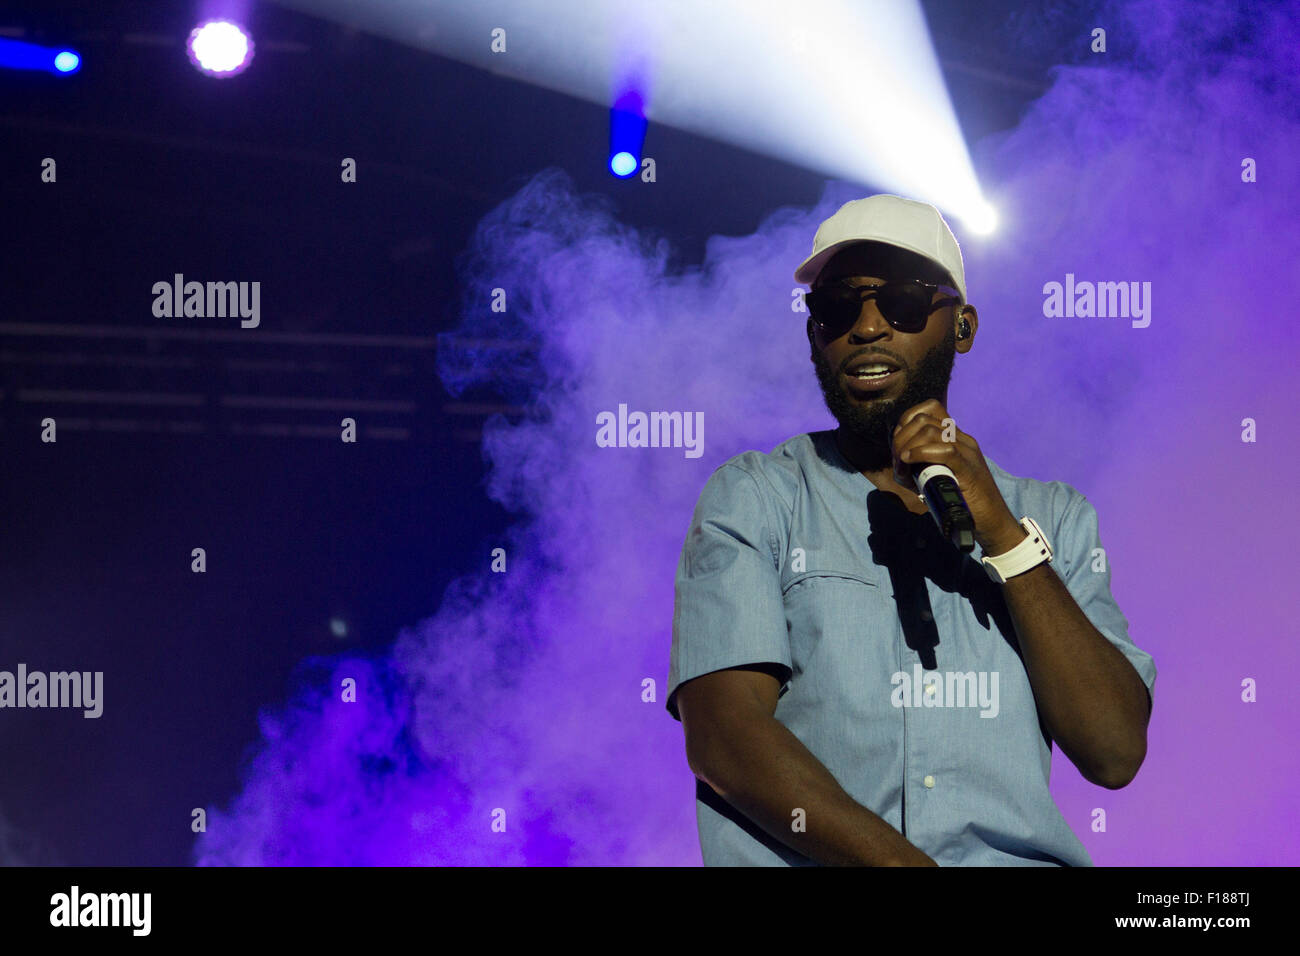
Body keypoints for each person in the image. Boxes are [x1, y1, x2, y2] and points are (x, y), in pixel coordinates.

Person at [665, 194, 1156, 866]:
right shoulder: (757, 497)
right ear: (814, 334)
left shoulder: (1055, 517)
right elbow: (724, 737)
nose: (867, 327)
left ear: (962, 327)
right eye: (838, 307)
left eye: (901, 301)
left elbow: (1114, 750)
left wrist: (1007, 541)